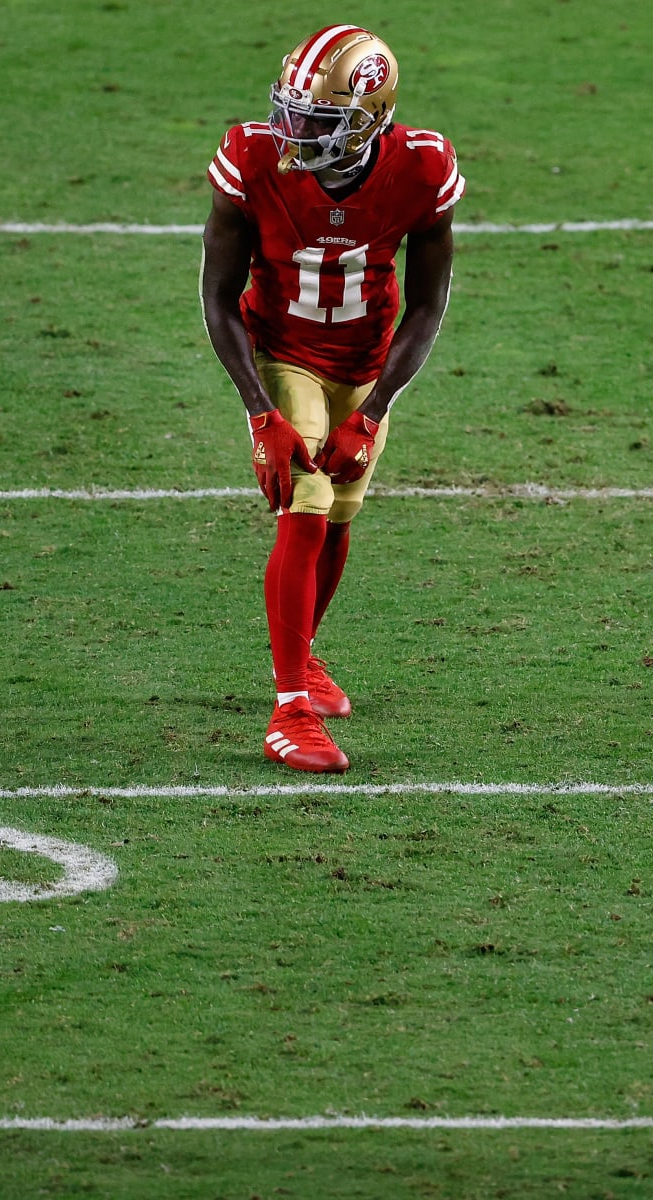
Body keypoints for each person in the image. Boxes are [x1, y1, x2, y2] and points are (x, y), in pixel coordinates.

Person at [201, 23, 462, 774]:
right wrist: (261, 412)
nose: (292, 130)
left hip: (367, 358)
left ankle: (303, 655)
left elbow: (428, 305)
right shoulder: (253, 158)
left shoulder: (420, 167)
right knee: (307, 502)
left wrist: (375, 408)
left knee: (340, 510)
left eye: (317, 120)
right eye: (290, 109)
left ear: (371, 119)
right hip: (284, 349)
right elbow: (218, 299)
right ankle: (287, 711)